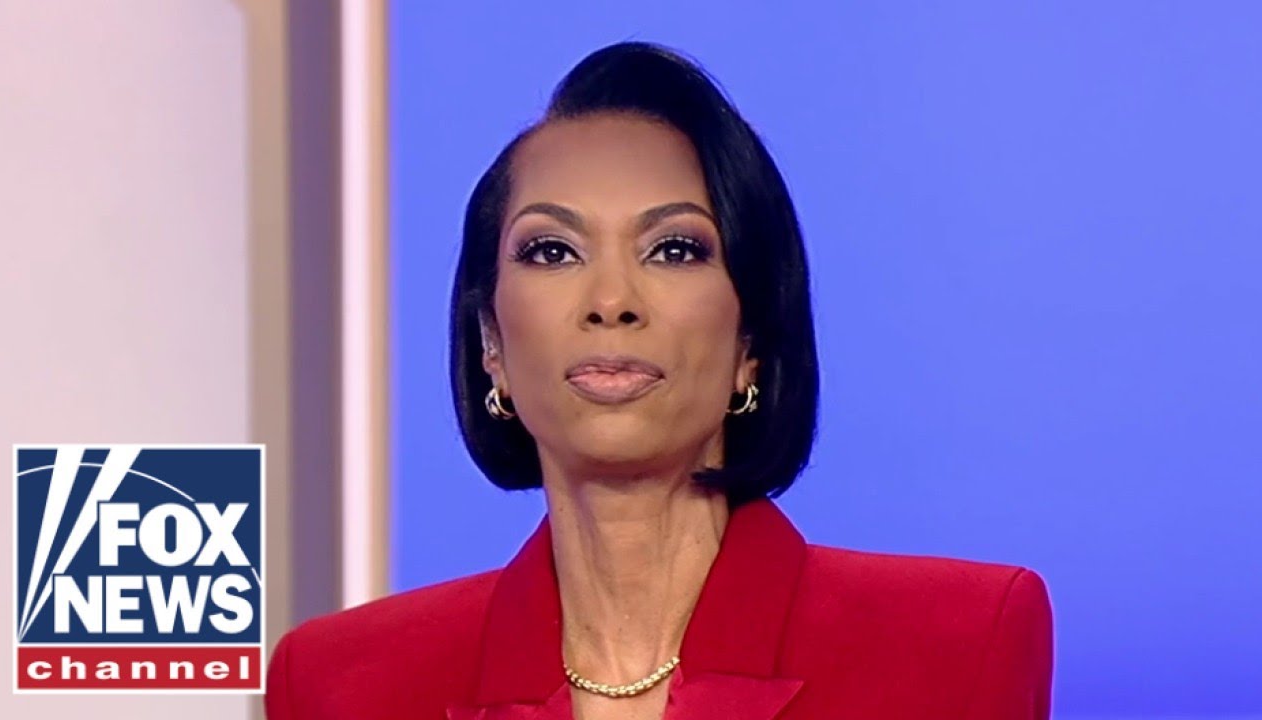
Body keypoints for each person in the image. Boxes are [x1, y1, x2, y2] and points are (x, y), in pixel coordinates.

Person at [265, 41, 1053, 720]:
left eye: (674, 249)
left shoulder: (961, 645)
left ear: (750, 340)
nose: (612, 301)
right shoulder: (342, 684)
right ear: (491, 344)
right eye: (552, 251)